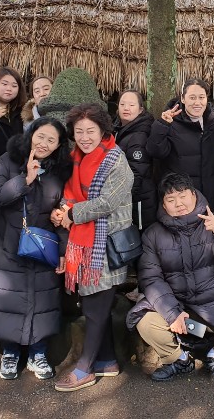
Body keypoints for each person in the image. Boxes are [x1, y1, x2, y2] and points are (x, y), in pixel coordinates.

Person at [127, 173, 214, 384]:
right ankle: (179, 359)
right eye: (171, 199)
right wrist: (172, 313)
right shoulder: (153, 234)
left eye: (183, 196)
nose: (179, 204)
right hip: (180, 311)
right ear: (163, 205)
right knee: (145, 322)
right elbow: (151, 278)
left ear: (194, 195)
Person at [0, 117, 72, 381]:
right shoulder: (9, 160)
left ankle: (38, 353)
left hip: (44, 245)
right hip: (8, 244)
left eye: (51, 140)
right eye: (40, 136)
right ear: (30, 134)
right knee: (8, 299)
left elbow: (63, 210)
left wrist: (63, 249)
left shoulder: (60, 170)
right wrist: (25, 179)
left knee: (43, 300)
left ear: (58, 145)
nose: (44, 143)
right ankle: (10, 353)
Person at [50, 103, 134, 392]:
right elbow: (69, 194)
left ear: (102, 131)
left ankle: (85, 368)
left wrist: (72, 214)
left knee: (96, 307)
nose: (85, 137)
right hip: (82, 241)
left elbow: (107, 202)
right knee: (93, 305)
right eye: (79, 131)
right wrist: (62, 210)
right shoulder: (75, 158)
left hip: (104, 244)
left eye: (91, 131)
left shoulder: (116, 159)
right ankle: (107, 361)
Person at [147, 79, 214, 212]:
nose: (197, 103)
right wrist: (162, 125)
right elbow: (155, 151)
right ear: (183, 99)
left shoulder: (212, 120)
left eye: (201, 97)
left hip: (209, 193)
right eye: (192, 98)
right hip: (181, 196)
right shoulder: (171, 122)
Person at [114, 90, 157, 231]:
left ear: (140, 110)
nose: (126, 108)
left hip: (138, 199)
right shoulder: (119, 130)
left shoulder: (139, 134)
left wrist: (118, 200)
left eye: (131, 105)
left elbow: (137, 172)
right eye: (122, 104)